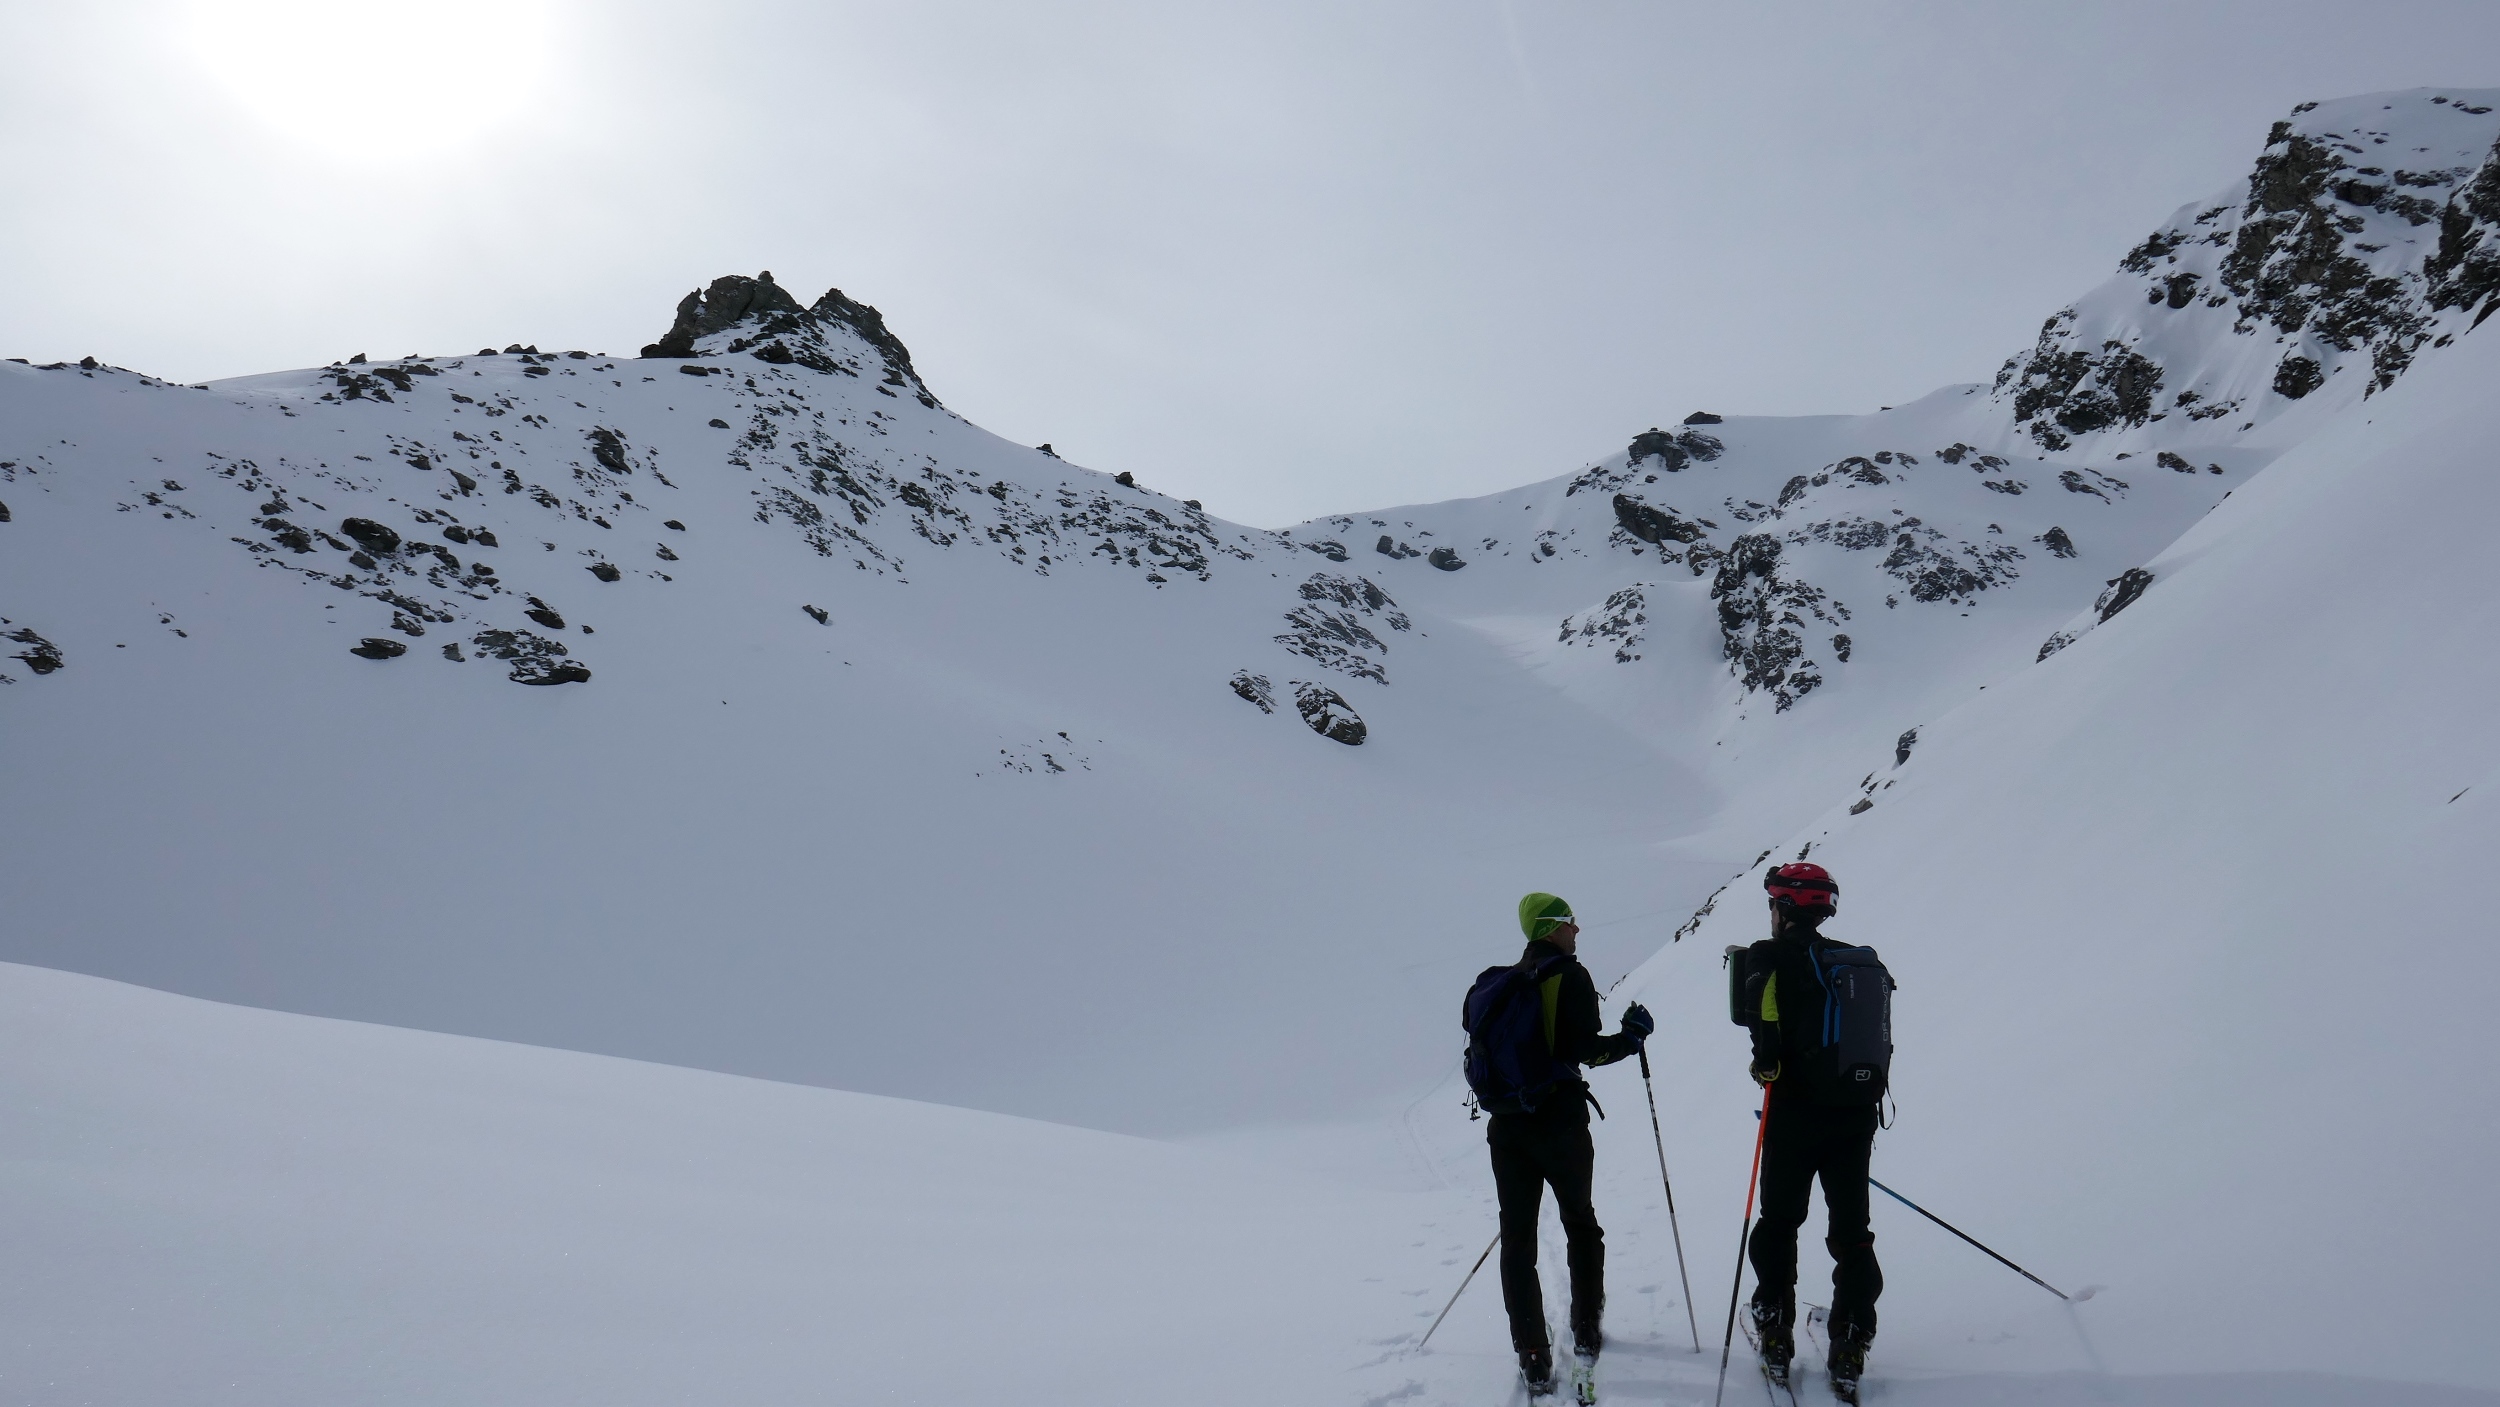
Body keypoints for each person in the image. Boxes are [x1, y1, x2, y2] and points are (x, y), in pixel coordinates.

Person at [1480, 892, 1654, 1395]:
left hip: (1508, 1128)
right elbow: (1585, 1052)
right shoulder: (1568, 977)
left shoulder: (1502, 984)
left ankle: (1531, 1351)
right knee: (1580, 1221)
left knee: (1517, 1238)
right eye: (1570, 922)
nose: (1577, 930)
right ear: (1551, 927)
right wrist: (1632, 1037)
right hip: (1560, 1122)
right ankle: (1585, 1325)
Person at [1736, 862, 1883, 1394]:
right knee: (1851, 1230)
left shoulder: (1768, 954)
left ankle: (1776, 1326)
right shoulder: (1854, 961)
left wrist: (1765, 1065)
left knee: (1779, 1221)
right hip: (1854, 1114)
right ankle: (1849, 1338)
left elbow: (1764, 1025)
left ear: (1784, 906)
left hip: (1794, 1113)